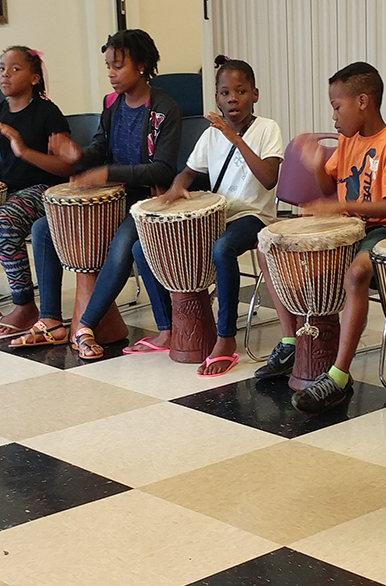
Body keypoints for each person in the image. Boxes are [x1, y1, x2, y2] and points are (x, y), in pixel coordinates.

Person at [257, 61, 386, 413]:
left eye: (336, 106)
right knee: (268, 249)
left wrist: (341, 204)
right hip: (352, 230)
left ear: (363, 101)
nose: (334, 117)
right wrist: (316, 164)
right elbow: (330, 184)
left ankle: (340, 377)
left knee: (356, 273)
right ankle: (289, 342)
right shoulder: (347, 142)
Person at [24, 29, 183, 358]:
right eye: (108, 65)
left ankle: (86, 325)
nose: (110, 73)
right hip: (112, 198)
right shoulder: (112, 105)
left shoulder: (164, 109)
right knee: (43, 228)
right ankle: (50, 318)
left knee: (125, 241)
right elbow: (99, 149)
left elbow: (164, 169)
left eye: (118, 66)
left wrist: (107, 172)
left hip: (146, 201)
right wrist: (76, 155)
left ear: (141, 65)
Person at [128, 55, 282, 377]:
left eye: (240, 91)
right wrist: (174, 192)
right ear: (217, 98)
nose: (233, 99)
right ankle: (166, 328)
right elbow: (186, 173)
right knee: (143, 248)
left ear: (255, 94)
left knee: (223, 249)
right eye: (225, 93)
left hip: (255, 216)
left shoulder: (267, 129)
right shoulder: (212, 134)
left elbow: (269, 178)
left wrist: (235, 138)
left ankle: (225, 338)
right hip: (217, 214)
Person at [0, 47, 78, 337]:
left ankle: (24, 305)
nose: (5, 74)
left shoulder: (47, 113)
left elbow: (65, 167)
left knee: (2, 225)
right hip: (10, 190)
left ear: (35, 78)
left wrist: (24, 152)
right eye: (2, 68)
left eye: (15, 69)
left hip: (44, 189)